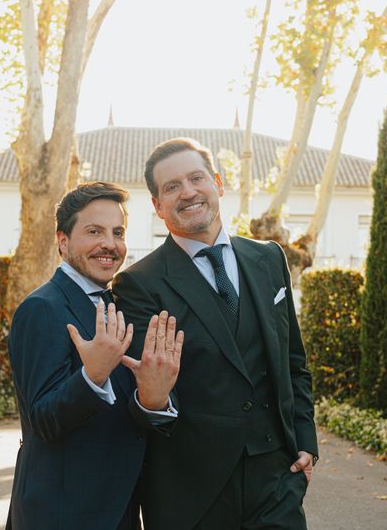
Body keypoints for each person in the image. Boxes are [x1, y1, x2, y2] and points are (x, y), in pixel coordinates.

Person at [113, 138, 319, 530]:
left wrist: (305, 440)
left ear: (219, 184)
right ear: (157, 206)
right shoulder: (138, 284)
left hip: (277, 479)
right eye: (172, 187)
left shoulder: (269, 259)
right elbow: (149, 395)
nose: (188, 192)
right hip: (190, 492)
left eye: (196, 178)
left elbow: (293, 361)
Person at [7, 181, 181, 530]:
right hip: (60, 513)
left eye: (118, 232)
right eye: (94, 231)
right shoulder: (41, 308)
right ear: (63, 241)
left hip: (121, 509)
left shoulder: (118, 304)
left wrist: (155, 399)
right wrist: (92, 377)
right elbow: (42, 420)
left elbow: (127, 414)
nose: (110, 244)